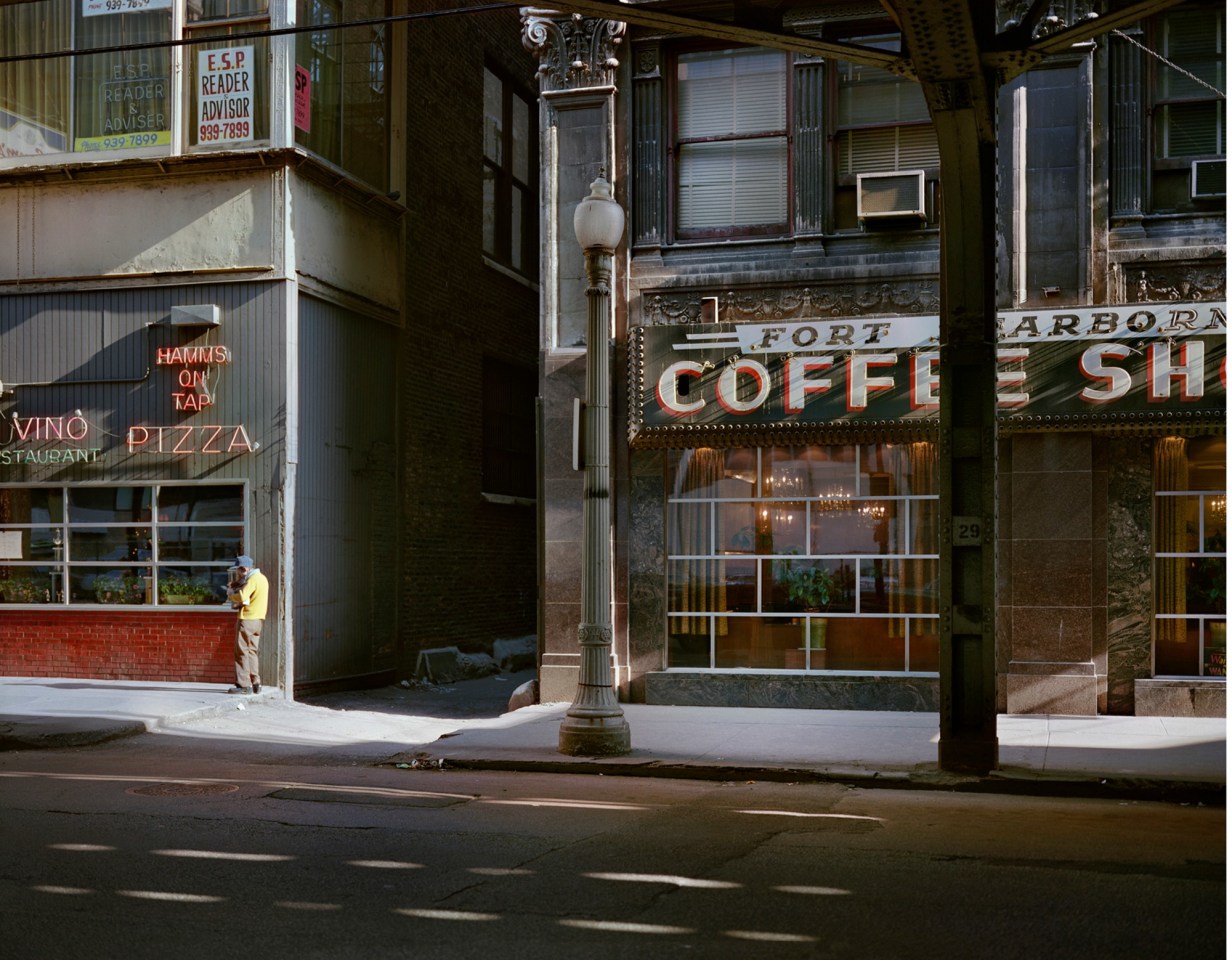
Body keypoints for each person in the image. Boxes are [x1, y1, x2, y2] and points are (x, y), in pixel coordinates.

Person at [227, 555, 269, 695]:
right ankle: (256, 682)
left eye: (238, 570)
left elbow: (243, 596)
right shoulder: (262, 578)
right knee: (252, 651)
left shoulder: (252, 579)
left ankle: (244, 685)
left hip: (247, 619)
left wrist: (231, 594)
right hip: (258, 619)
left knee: (241, 652)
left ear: (243, 568)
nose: (238, 573)